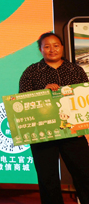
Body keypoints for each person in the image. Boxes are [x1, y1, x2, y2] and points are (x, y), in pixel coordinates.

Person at [19, 32, 89, 204]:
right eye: (47, 46)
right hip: (43, 132)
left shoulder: (76, 70)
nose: (52, 49)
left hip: (74, 132)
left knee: (85, 173)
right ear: (40, 50)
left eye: (56, 45)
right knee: (47, 178)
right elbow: (22, 103)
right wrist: (43, 93)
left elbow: (85, 98)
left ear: (62, 47)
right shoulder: (31, 72)